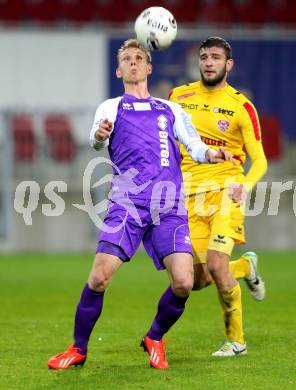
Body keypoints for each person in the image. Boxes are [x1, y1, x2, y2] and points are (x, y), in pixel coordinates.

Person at [47, 39, 234, 370]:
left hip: (168, 206)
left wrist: (213, 154)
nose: (133, 63)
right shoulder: (110, 107)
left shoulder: (170, 109)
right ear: (119, 70)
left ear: (149, 67)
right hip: (128, 204)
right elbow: (94, 139)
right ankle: (78, 349)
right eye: (127, 60)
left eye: (139, 59)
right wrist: (100, 135)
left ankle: (155, 337)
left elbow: (194, 144)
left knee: (184, 282)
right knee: (100, 277)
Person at [169, 37, 268, 357]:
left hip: (227, 190)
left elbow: (260, 160)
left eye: (215, 57)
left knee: (215, 262)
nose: (208, 62)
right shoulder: (178, 97)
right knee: (197, 281)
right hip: (189, 197)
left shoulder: (242, 107)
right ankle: (245, 267)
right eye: (204, 57)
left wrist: (246, 185)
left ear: (229, 64)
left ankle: (236, 341)